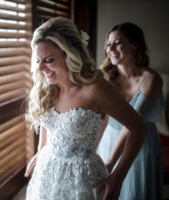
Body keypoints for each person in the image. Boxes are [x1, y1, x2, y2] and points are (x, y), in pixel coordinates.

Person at [24, 17, 146, 200]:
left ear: (69, 54)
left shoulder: (95, 88)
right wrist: (41, 151)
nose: (40, 68)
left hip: (81, 179)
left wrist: (118, 177)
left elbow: (138, 127)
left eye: (48, 60)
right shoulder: (47, 87)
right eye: (37, 60)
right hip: (47, 170)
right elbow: (46, 123)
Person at [97, 22, 164, 200]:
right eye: (108, 44)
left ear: (135, 44)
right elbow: (102, 119)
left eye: (117, 43)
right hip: (109, 140)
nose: (111, 48)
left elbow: (132, 123)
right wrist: (94, 149)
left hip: (139, 144)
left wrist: (111, 162)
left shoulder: (151, 79)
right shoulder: (105, 78)